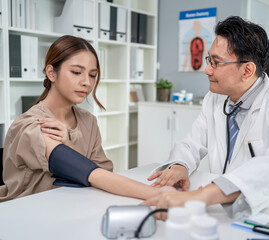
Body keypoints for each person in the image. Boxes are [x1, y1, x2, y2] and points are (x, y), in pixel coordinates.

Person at [144, 16, 269, 220]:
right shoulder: (214, 100)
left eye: (216, 63)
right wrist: (180, 166)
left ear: (247, 70)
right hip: (227, 212)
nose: (207, 70)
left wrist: (203, 195)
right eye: (209, 60)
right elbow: (192, 143)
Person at [0, 35, 173, 202]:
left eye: (92, 75)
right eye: (76, 72)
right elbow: (88, 172)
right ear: (51, 73)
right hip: (25, 213)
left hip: (75, 207)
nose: (87, 82)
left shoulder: (88, 121)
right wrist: (156, 193)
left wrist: (68, 145)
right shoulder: (31, 125)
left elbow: (102, 174)